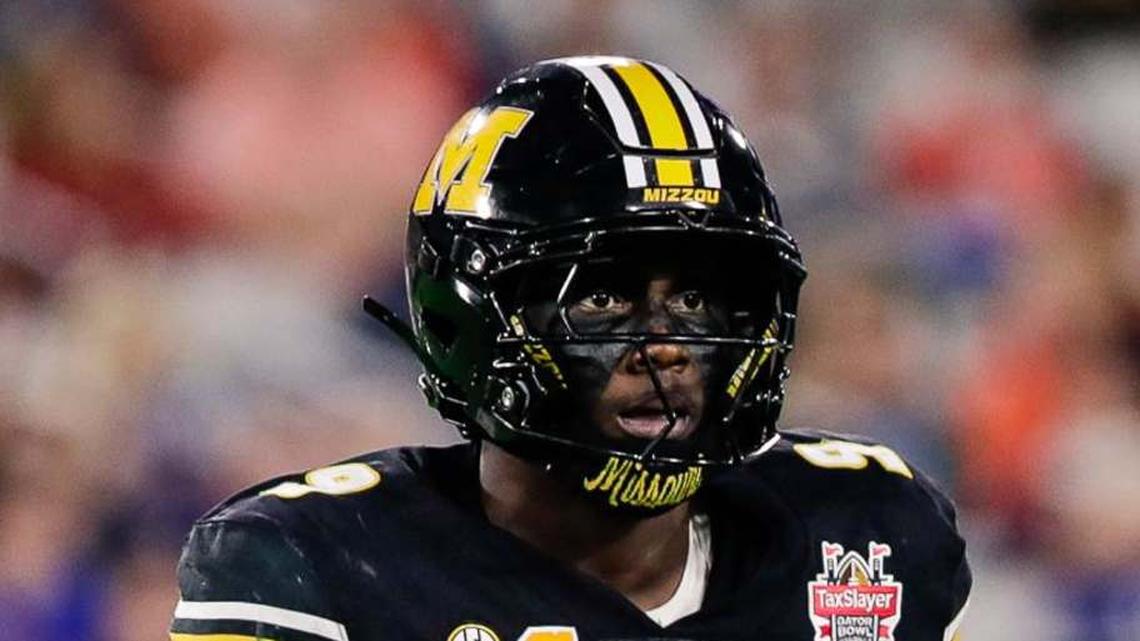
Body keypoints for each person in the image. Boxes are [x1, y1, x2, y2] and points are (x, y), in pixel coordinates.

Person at [169, 56, 970, 641]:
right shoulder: (310, 570)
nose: (665, 347)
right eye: (602, 296)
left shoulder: (870, 531)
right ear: (466, 317)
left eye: (694, 297)